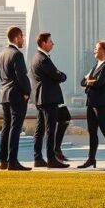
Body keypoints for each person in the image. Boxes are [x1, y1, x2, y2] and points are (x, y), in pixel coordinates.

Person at [78, 40, 105, 170]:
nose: (94, 51)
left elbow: (99, 83)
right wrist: (89, 81)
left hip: (101, 103)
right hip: (91, 102)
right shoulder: (96, 65)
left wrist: (89, 81)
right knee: (92, 132)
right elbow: (82, 82)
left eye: (97, 48)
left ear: (104, 50)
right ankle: (91, 159)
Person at [30, 32, 69, 169]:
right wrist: (62, 75)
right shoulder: (43, 59)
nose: (52, 44)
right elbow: (57, 76)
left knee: (40, 129)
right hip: (49, 98)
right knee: (50, 129)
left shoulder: (36, 58)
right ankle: (51, 159)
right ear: (43, 43)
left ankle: (38, 158)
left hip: (41, 98)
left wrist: (58, 74)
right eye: (50, 41)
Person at [0, 26, 31, 171]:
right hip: (16, 95)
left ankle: (3, 161)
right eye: (22, 37)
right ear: (17, 37)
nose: (23, 40)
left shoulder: (0, 55)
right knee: (15, 128)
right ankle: (13, 161)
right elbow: (21, 76)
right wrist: (27, 92)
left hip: (4, 94)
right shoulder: (17, 54)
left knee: (6, 127)